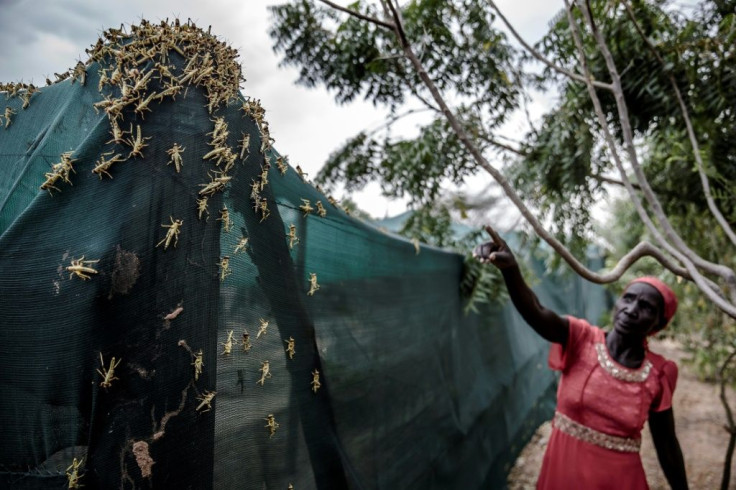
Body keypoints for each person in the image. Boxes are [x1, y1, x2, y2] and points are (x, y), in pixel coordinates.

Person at [473, 225, 688, 490]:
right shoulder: (581, 338)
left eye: (645, 307)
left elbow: (666, 444)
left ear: (658, 324)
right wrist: (511, 270)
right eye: (628, 299)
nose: (631, 310)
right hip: (562, 475)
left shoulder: (659, 373)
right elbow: (537, 311)